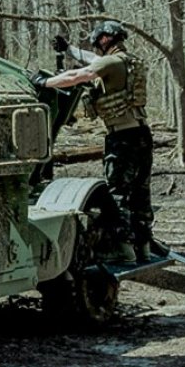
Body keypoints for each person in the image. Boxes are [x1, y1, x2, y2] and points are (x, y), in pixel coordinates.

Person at [31, 20, 157, 263]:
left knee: (118, 193)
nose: (97, 46)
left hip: (122, 138)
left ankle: (122, 249)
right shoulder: (129, 61)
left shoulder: (109, 63)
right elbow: (91, 60)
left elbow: (82, 74)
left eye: (98, 41)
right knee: (140, 193)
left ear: (105, 39)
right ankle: (142, 247)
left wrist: (44, 82)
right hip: (142, 135)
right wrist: (69, 50)